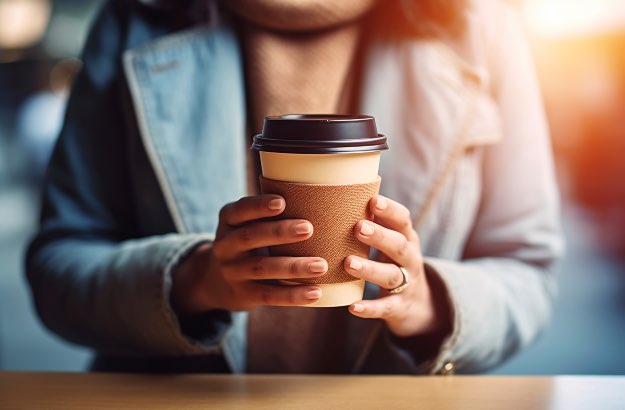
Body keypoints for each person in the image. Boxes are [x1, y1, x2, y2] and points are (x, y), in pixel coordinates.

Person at [25, 0, 563, 374]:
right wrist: (193, 282)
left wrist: (429, 303)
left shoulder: (480, 25)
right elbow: (58, 269)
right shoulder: (135, 19)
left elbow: (529, 271)